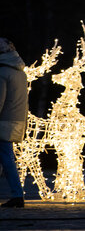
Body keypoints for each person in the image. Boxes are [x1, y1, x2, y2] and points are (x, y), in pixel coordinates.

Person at [0, 38, 27, 208]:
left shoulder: (3, 73)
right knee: (6, 157)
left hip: (3, 122)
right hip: (16, 119)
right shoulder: (20, 72)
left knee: (6, 158)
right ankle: (17, 195)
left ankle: (18, 195)